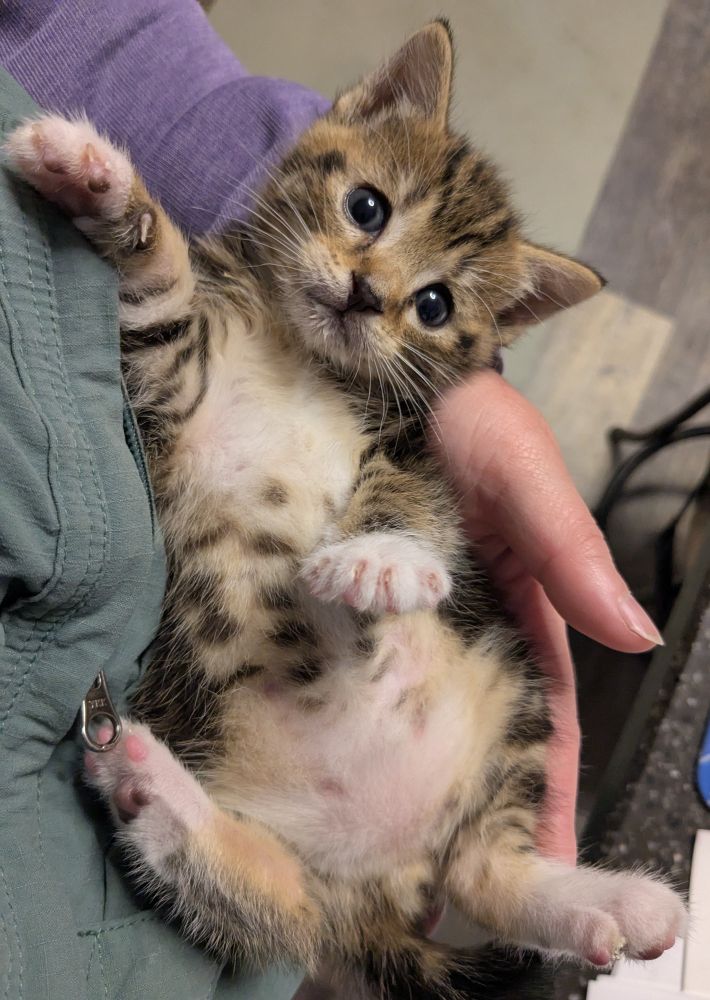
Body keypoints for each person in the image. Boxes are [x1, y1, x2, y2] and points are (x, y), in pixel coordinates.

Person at [0, 3, 663, 998]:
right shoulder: (232, 295)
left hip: (387, 725)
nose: (372, 287)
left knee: (470, 679)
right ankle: (294, 859)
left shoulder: (379, 418)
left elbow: (393, 487)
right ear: (366, 110)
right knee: (290, 897)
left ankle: (511, 879)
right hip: (274, 759)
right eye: (367, 211)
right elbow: (164, 319)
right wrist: (133, 225)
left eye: (431, 305)